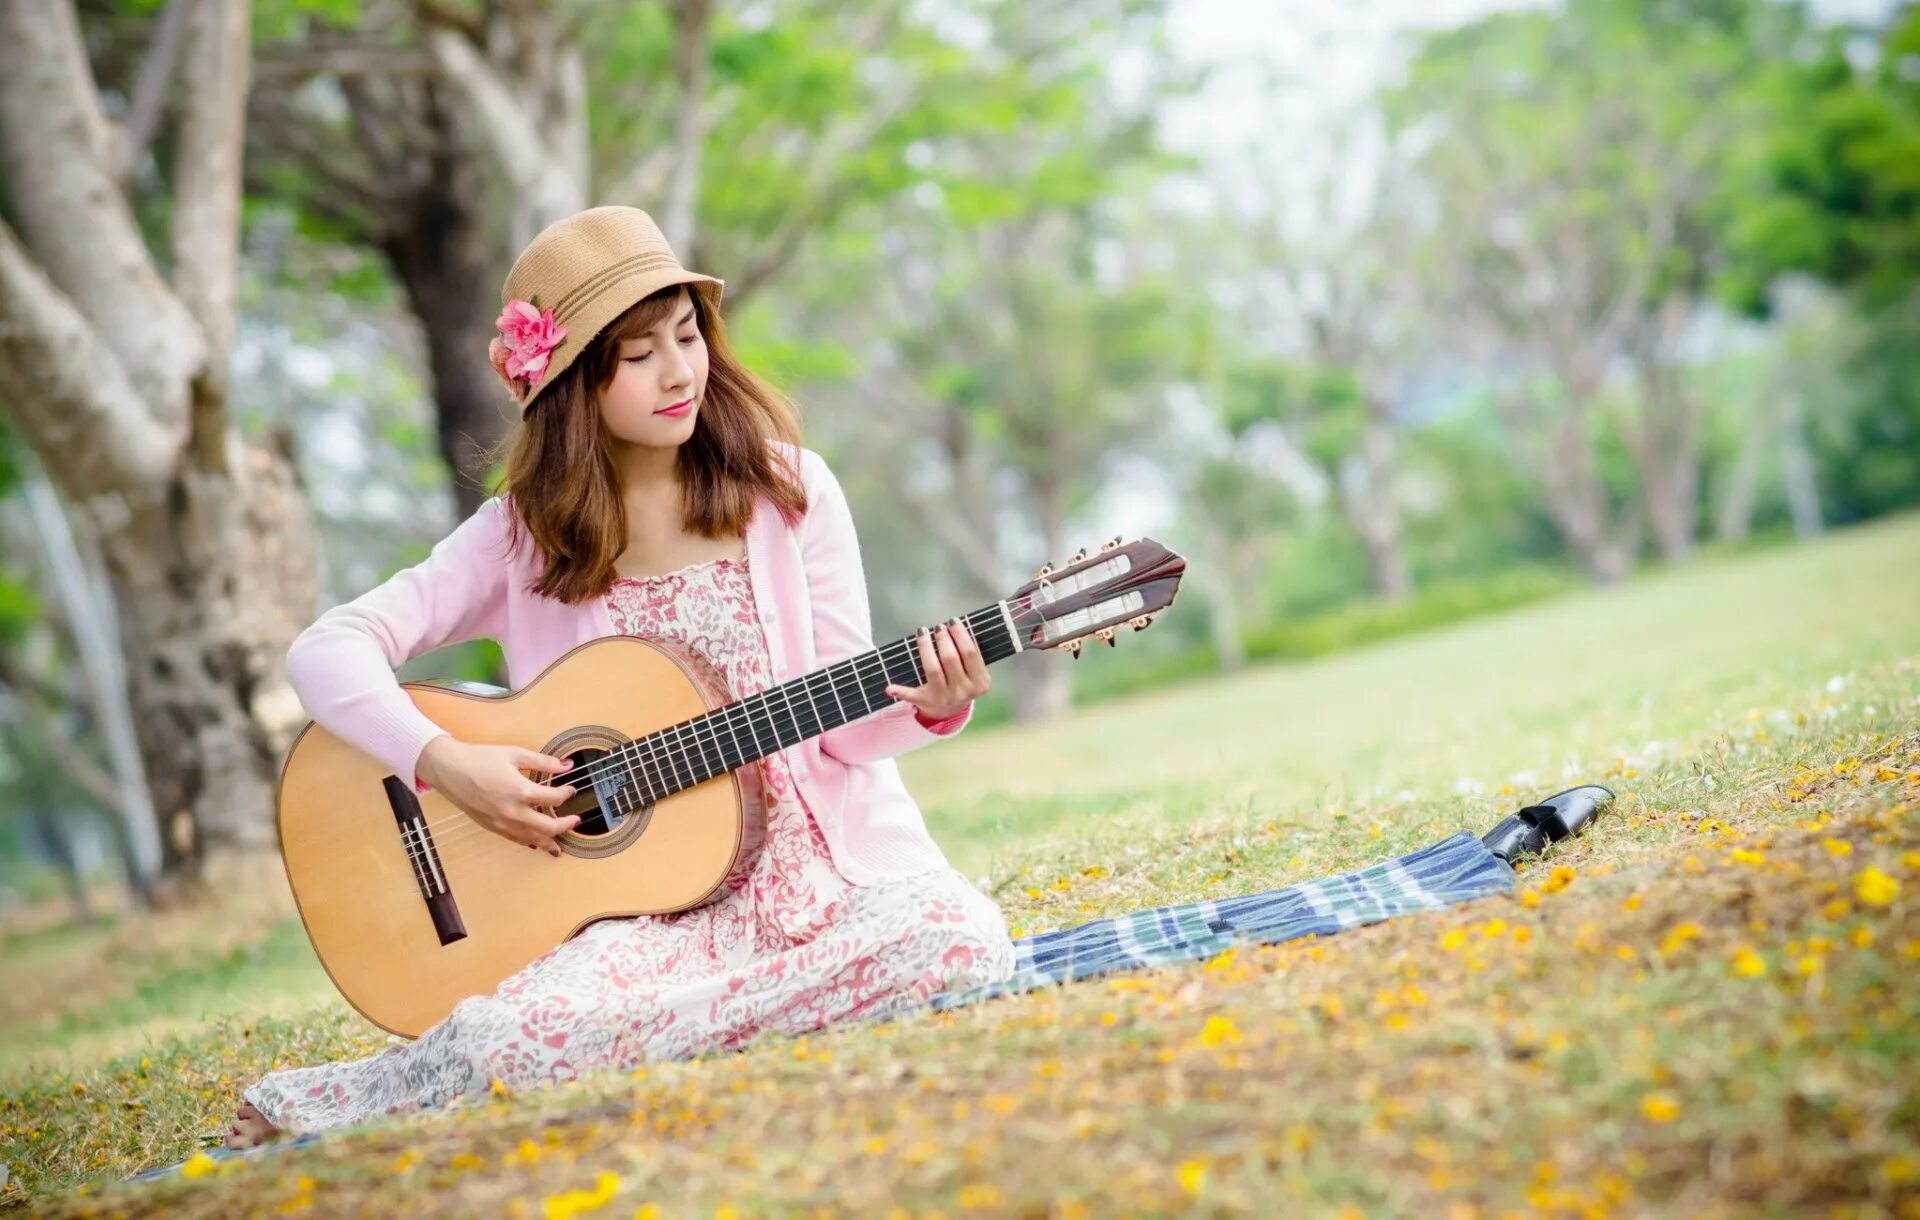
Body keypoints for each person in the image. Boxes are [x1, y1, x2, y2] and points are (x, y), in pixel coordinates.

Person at [227, 206, 1016, 1148]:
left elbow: (843, 727)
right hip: (646, 921)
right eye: (638, 354)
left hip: (832, 883)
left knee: (957, 941)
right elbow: (326, 651)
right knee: (517, 1036)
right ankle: (405, 1080)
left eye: (688, 336)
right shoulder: (517, 538)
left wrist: (931, 709)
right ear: (569, 383)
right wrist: (446, 766)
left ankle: (633, 1040)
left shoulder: (790, 491)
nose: (681, 371)